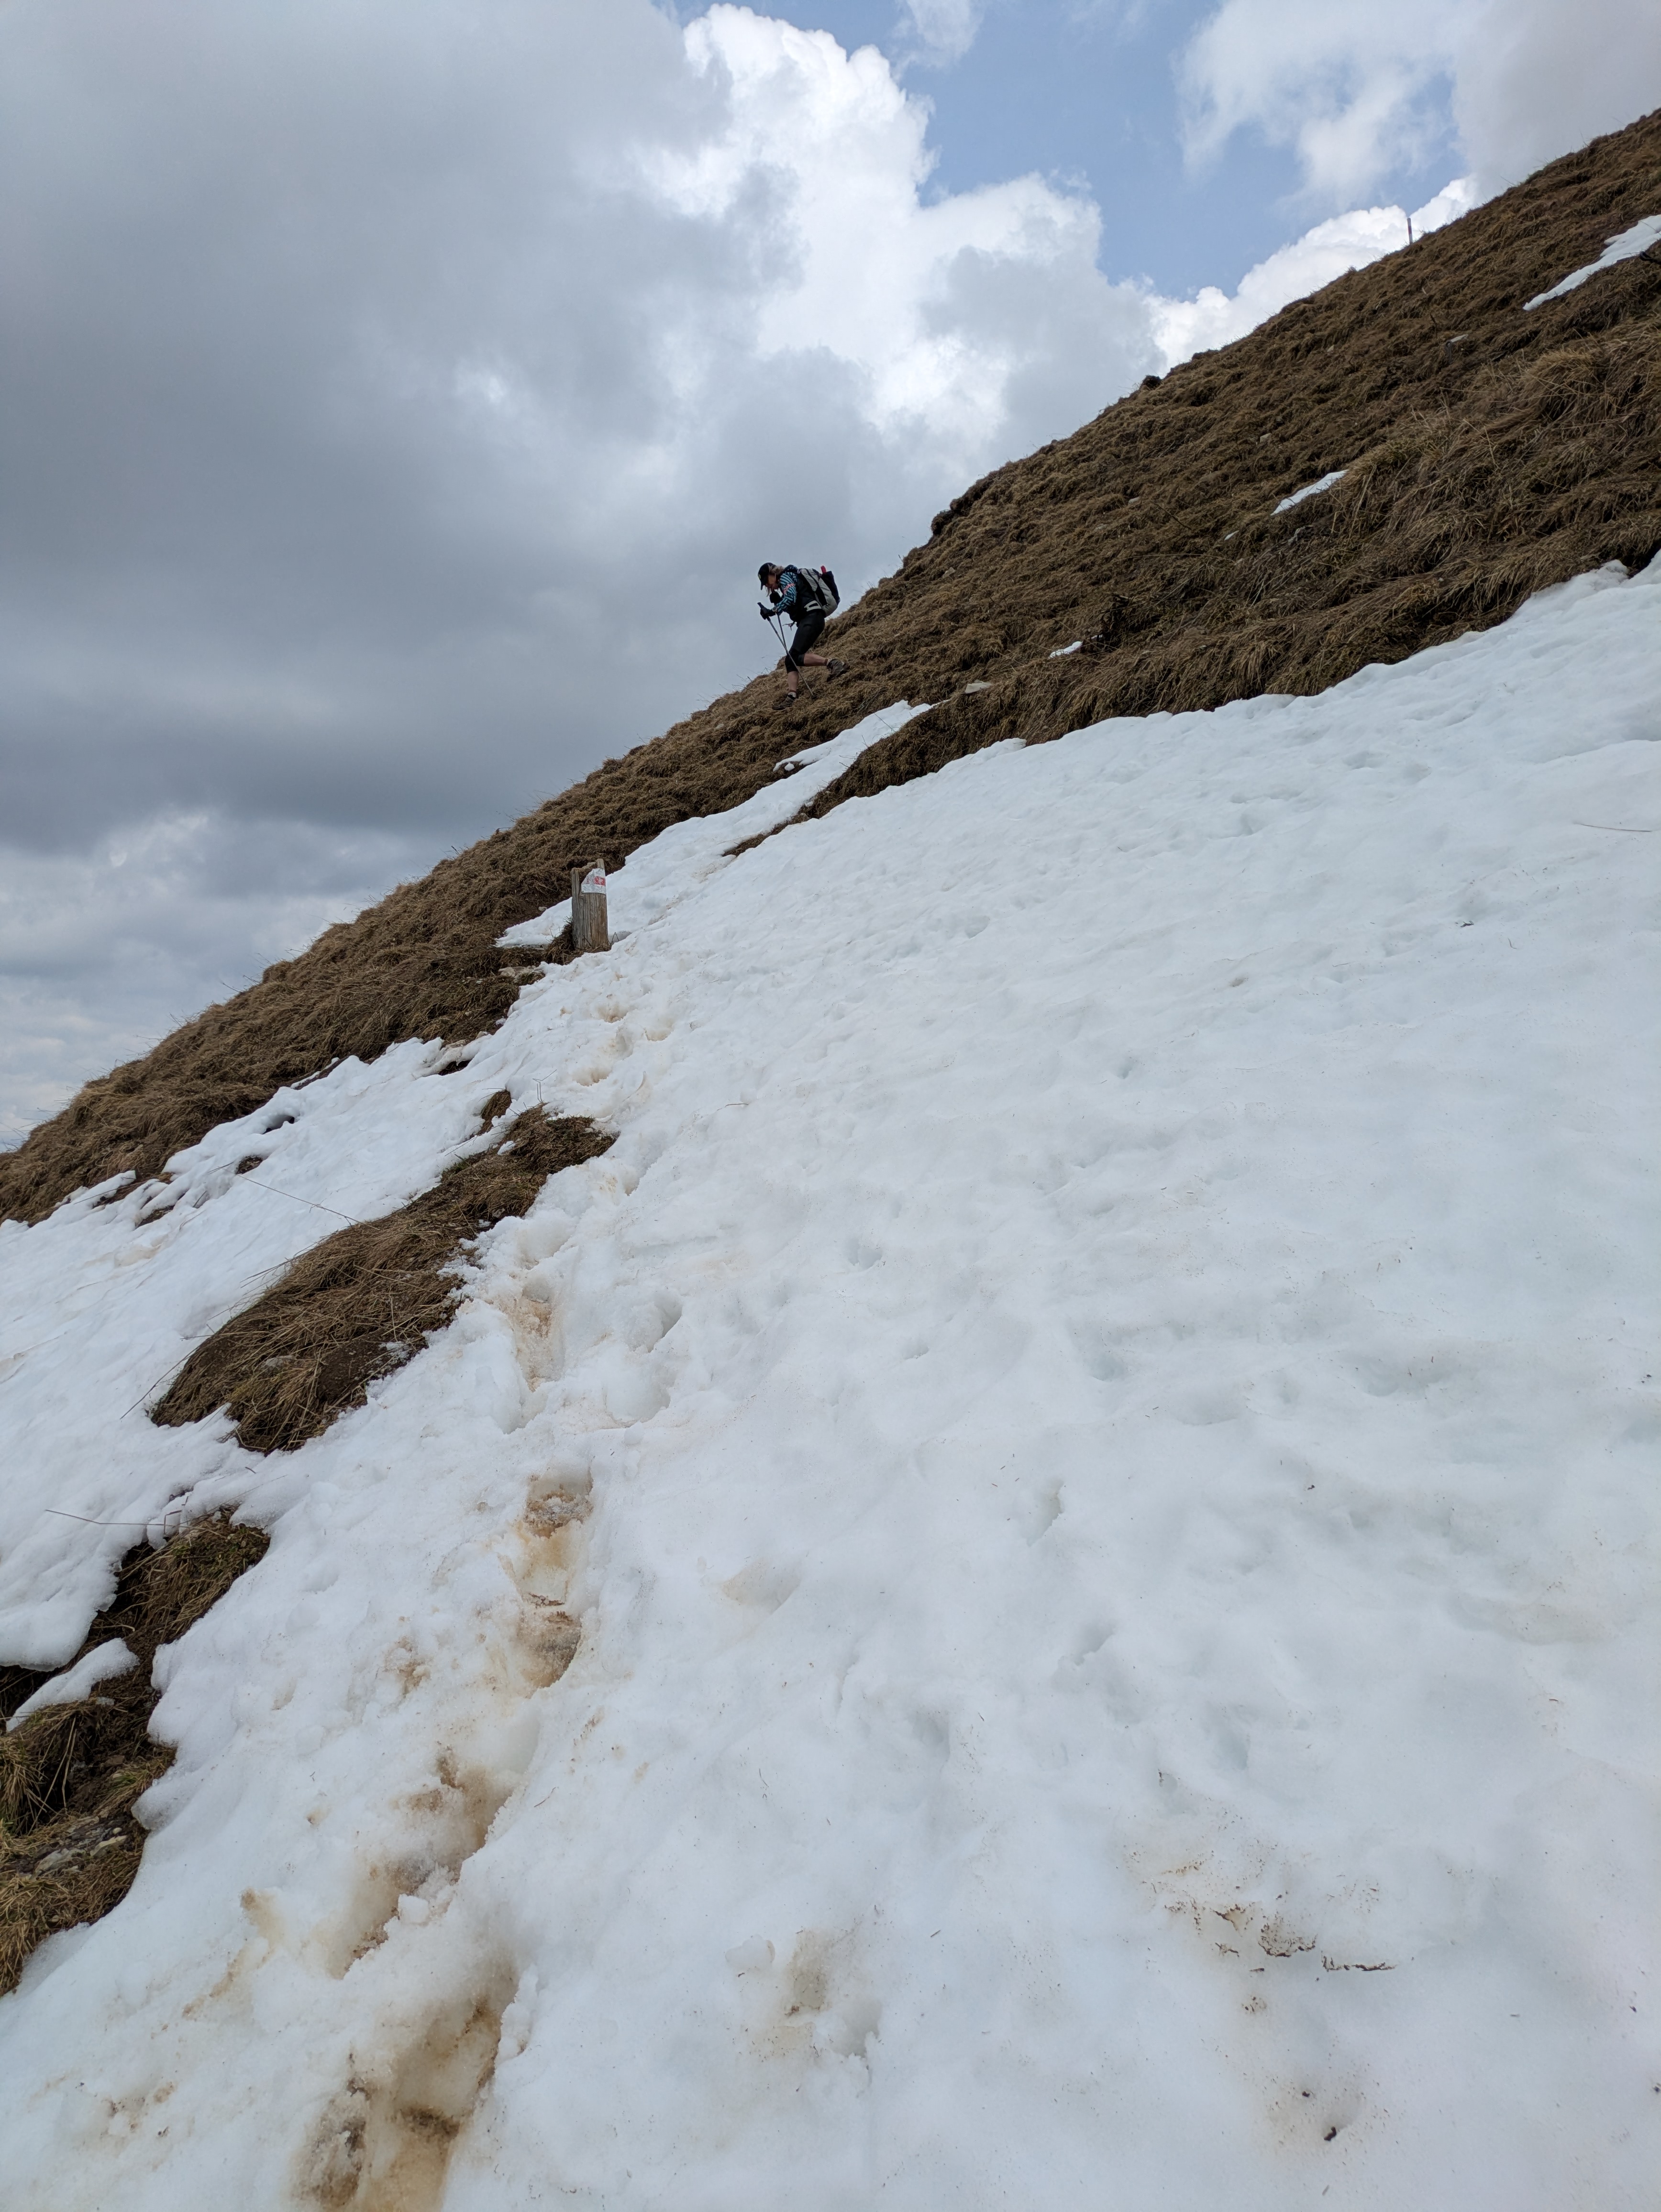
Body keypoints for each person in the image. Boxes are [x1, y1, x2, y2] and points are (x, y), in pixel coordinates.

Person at [758, 563, 847, 706]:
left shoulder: (786, 577)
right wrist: (779, 602)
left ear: (772, 575)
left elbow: (792, 597)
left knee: (795, 657)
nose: (768, 587)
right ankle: (791, 697)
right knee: (791, 660)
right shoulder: (788, 580)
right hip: (811, 618)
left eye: (767, 582)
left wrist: (773, 610)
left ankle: (834, 663)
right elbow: (796, 604)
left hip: (812, 617)